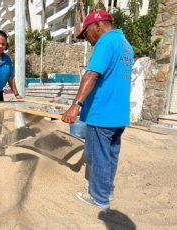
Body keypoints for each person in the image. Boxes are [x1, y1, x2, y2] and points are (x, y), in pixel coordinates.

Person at [62, 10, 134, 210]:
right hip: (118, 113)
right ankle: (105, 188)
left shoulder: (105, 42)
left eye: (86, 34)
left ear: (97, 26)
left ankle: (99, 197)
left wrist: (75, 105)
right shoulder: (125, 44)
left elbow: (91, 75)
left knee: (97, 155)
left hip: (101, 113)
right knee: (110, 155)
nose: (87, 39)